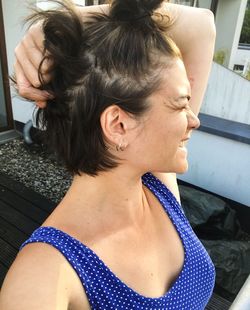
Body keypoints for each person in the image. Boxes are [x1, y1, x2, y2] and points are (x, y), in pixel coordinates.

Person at [0, 0, 216, 309]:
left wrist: (65, 23)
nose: (194, 120)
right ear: (119, 125)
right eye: (181, 104)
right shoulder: (48, 272)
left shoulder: (155, 184)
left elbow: (201, 26)